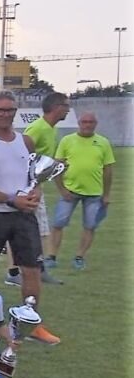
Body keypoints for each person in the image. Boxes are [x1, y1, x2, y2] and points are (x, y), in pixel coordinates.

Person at [0, 89, 59, 345]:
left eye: (9, 109)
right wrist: (10, 199)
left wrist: (34, 193)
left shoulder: (27, 142)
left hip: (23, 217)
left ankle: (30, 322)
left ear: (15, 112)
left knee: (32, 270)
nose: (5, 114)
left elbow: (34, 177)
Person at [14, 91, 71, 284]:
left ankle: (36, 269)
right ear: (56, 107)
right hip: (29, 188)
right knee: (33, 230)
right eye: (66, 105)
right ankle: (23, 271)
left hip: (36, 186)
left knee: (38, 230)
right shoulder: (38, 128)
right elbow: (23, 155)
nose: (69, 110)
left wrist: (56, 165)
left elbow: (43, 162)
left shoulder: (51, 129)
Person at [50, 112, 115, 270]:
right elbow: (56, 167)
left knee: (90, 226)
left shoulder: (103, 142)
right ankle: (51, 256)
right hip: (70, 191)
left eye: (91, 122)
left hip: (94, 193)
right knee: (58, 223)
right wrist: (62, 190)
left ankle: (79, 257)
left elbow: (108, 169)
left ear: (95, 124)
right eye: (84, 122)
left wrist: (106, 194)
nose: (87, 125)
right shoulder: (67, 141)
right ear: (79, 123)